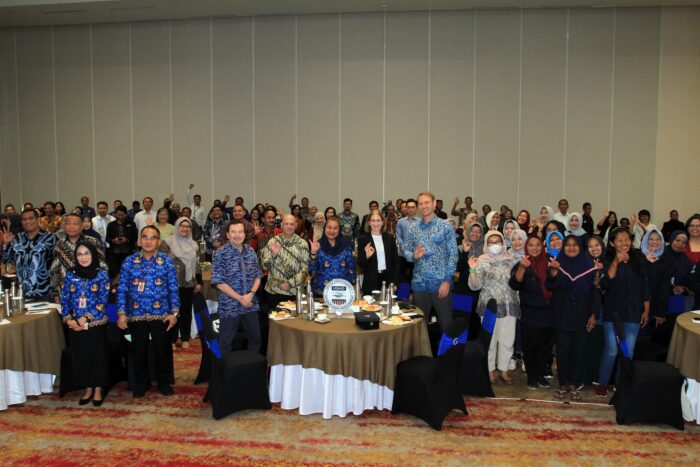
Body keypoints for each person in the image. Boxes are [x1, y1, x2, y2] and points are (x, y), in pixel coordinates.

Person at [117, 225, 180, 397]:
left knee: (162, 351)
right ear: (139, 240)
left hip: (161, 314)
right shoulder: (129, 261)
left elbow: (173, 288)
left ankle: (163, 382)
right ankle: (141, 383)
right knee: (139, 351)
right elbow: (122, 288)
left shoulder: (166, 261)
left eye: (153, 238)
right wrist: (121, 313)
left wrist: (174, 313)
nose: (148, 241)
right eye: (145, 237)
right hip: (135, 314)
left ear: (158, 242)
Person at [596, 227, 650, 398]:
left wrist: (646, 309)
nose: (624, 242)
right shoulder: (607, 259)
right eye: (619, 239)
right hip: (613, 315)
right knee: (612, 350)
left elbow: (645, 286)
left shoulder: (638, 259)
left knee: (626, 351)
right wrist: (616, 262)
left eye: (626, 239)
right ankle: (603, 383)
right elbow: (605, 284)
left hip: (633, 314)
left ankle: (621, 384)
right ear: (612, 242)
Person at [546, 235, 601, 400]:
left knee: (578, 351)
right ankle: (563, 383)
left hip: (582, 315)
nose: (571, 248)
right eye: (568, 245)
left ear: (580, 247)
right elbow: (550, 286)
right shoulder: (557, 263)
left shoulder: (590, 266)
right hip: (562, 314)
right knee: (563, 351)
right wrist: (554, 272)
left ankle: (574, 383)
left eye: (574, 245)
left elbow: (595, 293)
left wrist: (594, 314)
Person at [60, 242, 111, 406]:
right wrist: (68, 319)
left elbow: (103, 301)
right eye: (79, 254)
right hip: (74, 323)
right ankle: (88, 387)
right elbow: (65, 297)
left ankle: (97, 388)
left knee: (96, 356)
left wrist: (85, 319)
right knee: (81, 356)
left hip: (95, 322)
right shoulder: (70, 273)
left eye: (86, 253)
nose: (83, 257)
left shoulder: (102, 274)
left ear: (94, 255)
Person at [468, 230, 519, 384]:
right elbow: (475, 286)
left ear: (503, 243)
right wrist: (472, 269)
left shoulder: (511, 260)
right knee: (489, 341)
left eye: (498, 241)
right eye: (491, 242)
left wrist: (518, 305)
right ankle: (489, 370)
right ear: (486, 244)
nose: (495, 245)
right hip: (489, 306)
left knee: (507, 340)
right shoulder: (482, 260)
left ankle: (504, 371)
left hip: (509, 305)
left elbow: (516, 285)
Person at [404, 192, 458, 332]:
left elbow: (453, 255)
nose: (424, 206)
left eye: (427, 202)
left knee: (447, 327)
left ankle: (448, 354)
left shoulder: (445, 226)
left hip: (441, 285)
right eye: (420, 203)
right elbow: (407, 252)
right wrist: (414, 256)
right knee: (419, 329)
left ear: (434, 204)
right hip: (419, 285)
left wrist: (447, 281)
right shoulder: (413, 228)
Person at [509, 236, 553, 390]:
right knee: (531, 345)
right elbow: (514, 284)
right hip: (530, 312)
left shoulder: (549, 262)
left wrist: (554, 269)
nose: (534, 248)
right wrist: (522, 267)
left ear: (542, 246)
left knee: (545, 346)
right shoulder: (522, 262)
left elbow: (556, 283)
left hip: (548, 311)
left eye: (538, 245)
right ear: (527, 247)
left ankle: (541, 375)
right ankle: (532, 377)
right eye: (531, 245)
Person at [211, 221, 262, 353]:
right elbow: (219, 282)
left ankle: (250, 370)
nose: (237, 235)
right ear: (227, 235)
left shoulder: (251, 251)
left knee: (255, 339)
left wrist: (250, 294)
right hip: (229, 306)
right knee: (225, 343)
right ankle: (224, 372)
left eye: (240, 232)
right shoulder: (220, 253)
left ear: (245, 234)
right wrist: (240, 299)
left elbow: (258, 276)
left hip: (250, 304)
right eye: (233, 232)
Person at [160, 218, 202, 349]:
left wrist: (198, 281)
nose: (185, 229)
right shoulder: (167, 243)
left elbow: (197, 265)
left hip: (189, 283)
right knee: (172, 312)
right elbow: (161, 264)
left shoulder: (194, 244)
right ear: (177, 227)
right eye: (182, 226)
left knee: (186, 311)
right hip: (171, 284)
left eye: (188, 227)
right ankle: (171, 339)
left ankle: (184, 338)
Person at [50, 213, 108, 302]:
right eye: (68, 224)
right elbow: (55, 270)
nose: (71, 226)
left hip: (90, 291)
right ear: (64, 226)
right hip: (65, 292)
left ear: (82, 227)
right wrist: (55, 294)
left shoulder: (93, 242)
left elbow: (103, 266)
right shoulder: (59, 244)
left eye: (75, 224)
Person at [2, 209, 57, 299]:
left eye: (31, 218)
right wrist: (6, 244)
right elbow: (6, 260)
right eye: (24, 219)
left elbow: (57, 266)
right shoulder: (16, 238)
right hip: (21, 292)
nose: (27, 221)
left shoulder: (50, 238)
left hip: (44, 291)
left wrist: (56, 292)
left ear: (38, 219)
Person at [259, 214, 310, 308]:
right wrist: (273, 255)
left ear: (296, 225)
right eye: (286, 224)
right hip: (274, 291)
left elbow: (305, 269)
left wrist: (289, 283)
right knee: (273, 320)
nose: (289, 226)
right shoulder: (272, 241)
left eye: (291, 224)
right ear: (281, 225)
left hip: (295, 291)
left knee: (294, 321)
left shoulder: (302, 244)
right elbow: (264, 266)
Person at [309, 216, 355, 296]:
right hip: (321, 292)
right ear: (324, 228)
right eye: (329, 227)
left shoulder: (346, 245)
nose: (332, 231)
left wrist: (353, 289)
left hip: (342, 293)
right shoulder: (317, 245)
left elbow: (351, 269)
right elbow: (312, 272)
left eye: (335, 228)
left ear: (339, 229)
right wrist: (313, 253)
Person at [639, 229, 671, 345]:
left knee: (647, 342)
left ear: (662, 242)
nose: (654, 242)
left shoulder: (665, 260)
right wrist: (646, 261)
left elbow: (665, 287)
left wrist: (661, 312)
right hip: (636, 306)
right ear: (646, 241)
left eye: (658, 239)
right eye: (651, 239)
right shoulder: (638, 257)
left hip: (655, 307)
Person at [357, 210, 400, 296]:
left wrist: (395, 282)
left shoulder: (389, 238)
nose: (375, 223)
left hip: (387, 280)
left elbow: (396, 262)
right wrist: (367, 256)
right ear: (369, 222)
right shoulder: (363, 239)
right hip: (370, 281)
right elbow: (360, 263)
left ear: (382, 222)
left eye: (378, 220)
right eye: (373, 220)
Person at [105, 206, 137, 279]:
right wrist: (114, 240)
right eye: (118, 215)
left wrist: (126, 240)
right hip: (114, 252)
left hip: (128, 251)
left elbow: (134, 237)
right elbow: (107, 238)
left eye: (122, 215)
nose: (120, 217)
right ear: (115, 214)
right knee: (113, 272)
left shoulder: (131, 224)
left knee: (128, 272)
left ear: (126, 214)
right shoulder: (111, 225)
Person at [396, 198, 419, 282]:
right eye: (409, 207)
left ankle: (412, 294)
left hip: (415, 254)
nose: (411, 209)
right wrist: (403, 247)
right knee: (400, 276)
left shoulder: (421, 222)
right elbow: (398, 235)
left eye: (413, 207)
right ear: (406, 208)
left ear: (416, 208)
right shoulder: (401, 222)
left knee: (413, 276)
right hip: (403, 253)